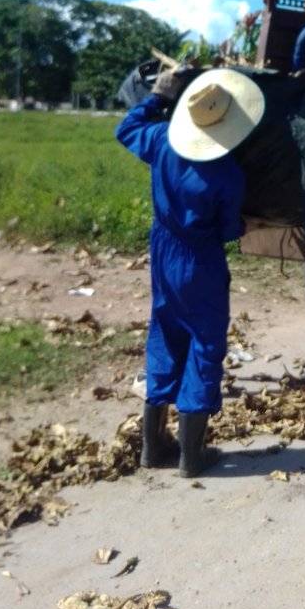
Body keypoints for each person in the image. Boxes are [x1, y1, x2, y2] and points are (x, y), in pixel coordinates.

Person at [116, 66, 265, 478]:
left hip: (163, 250)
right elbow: (230, 229)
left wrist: (158, 97)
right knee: (204, 344)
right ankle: (191, 456)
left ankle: (152, 447)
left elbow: (126, 128)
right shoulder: (227, 172)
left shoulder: (161, 140)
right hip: (201, 258)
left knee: (164, 331)